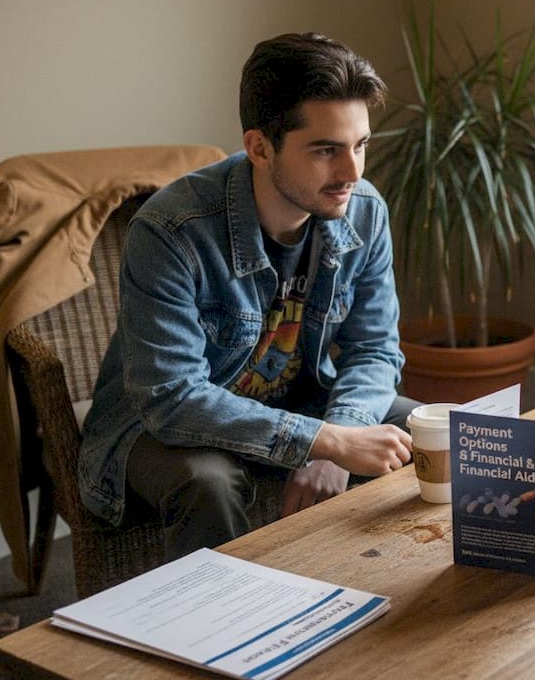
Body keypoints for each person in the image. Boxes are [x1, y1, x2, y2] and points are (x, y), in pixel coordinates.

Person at [79, 32, 419, 562]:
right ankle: (227, 613)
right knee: (208, 483)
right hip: (163, 427)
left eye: (360, 145)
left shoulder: (364, 211)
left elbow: (374, 350)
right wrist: (324, 442)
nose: (353, 172)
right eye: (326, 150)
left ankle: (382, 590)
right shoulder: (171, 231)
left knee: (434, 430)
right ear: (260, 147)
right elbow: (171, 397)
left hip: (298, 402)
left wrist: (344, 432)